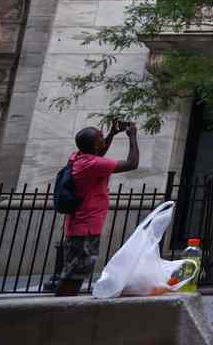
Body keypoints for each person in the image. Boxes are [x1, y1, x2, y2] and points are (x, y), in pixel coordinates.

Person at [54, 121, 139, 295]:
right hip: (84, 229)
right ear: (93, 145)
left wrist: (112, 134)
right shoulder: (92, 165)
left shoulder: (78, 157)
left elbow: (98, 152)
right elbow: (132, 163)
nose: (103, 142)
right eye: (100, 138)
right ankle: (59, 310)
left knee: (75, 273)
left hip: (81, 226)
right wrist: (133, 136)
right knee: (74, 274)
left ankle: (63, 308)